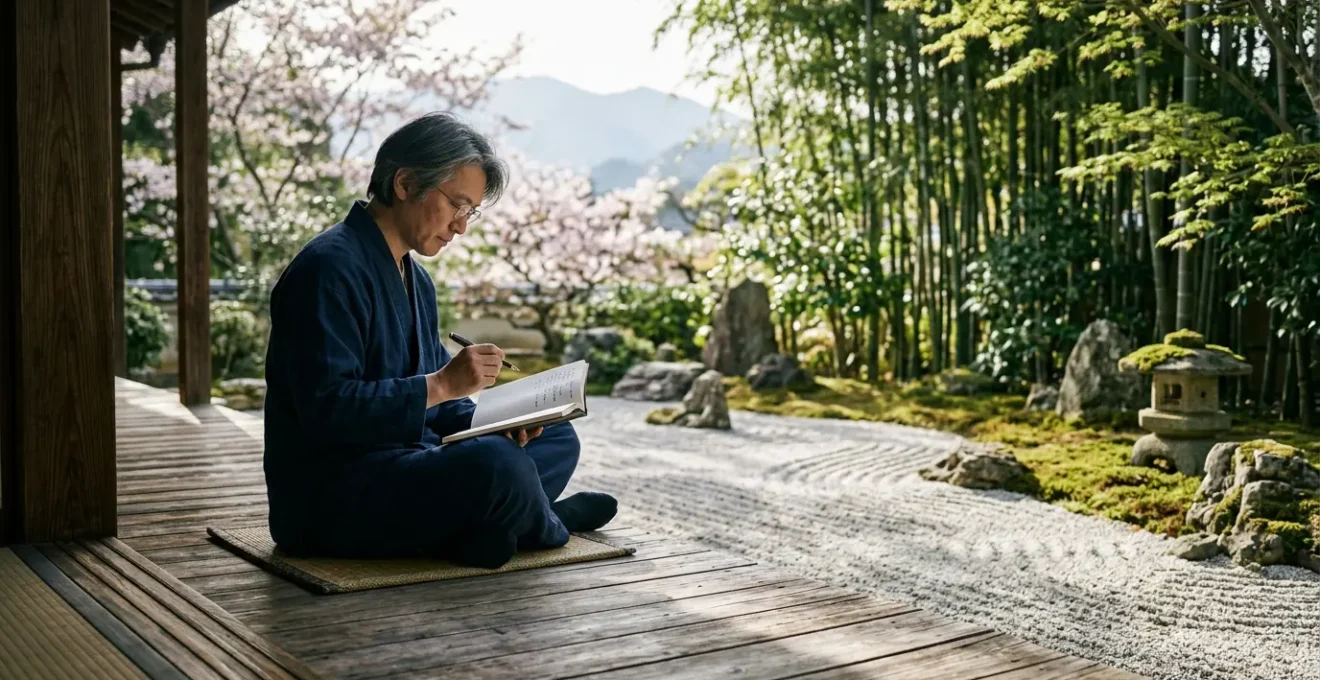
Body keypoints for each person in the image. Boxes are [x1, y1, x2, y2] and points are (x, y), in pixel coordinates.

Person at [261, 112, 617, 569]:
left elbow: (441, 406)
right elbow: (326, 410)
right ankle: (550, 524)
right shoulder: (326, 270)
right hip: (334, 493)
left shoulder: (417, 280)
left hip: (410, 465)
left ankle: (489, 526)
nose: (461, 226)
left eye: (470, 211)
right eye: (456, 205)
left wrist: (500, 420)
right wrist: (443, 385)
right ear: (406, 183)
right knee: (496, 465)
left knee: (556, 438)